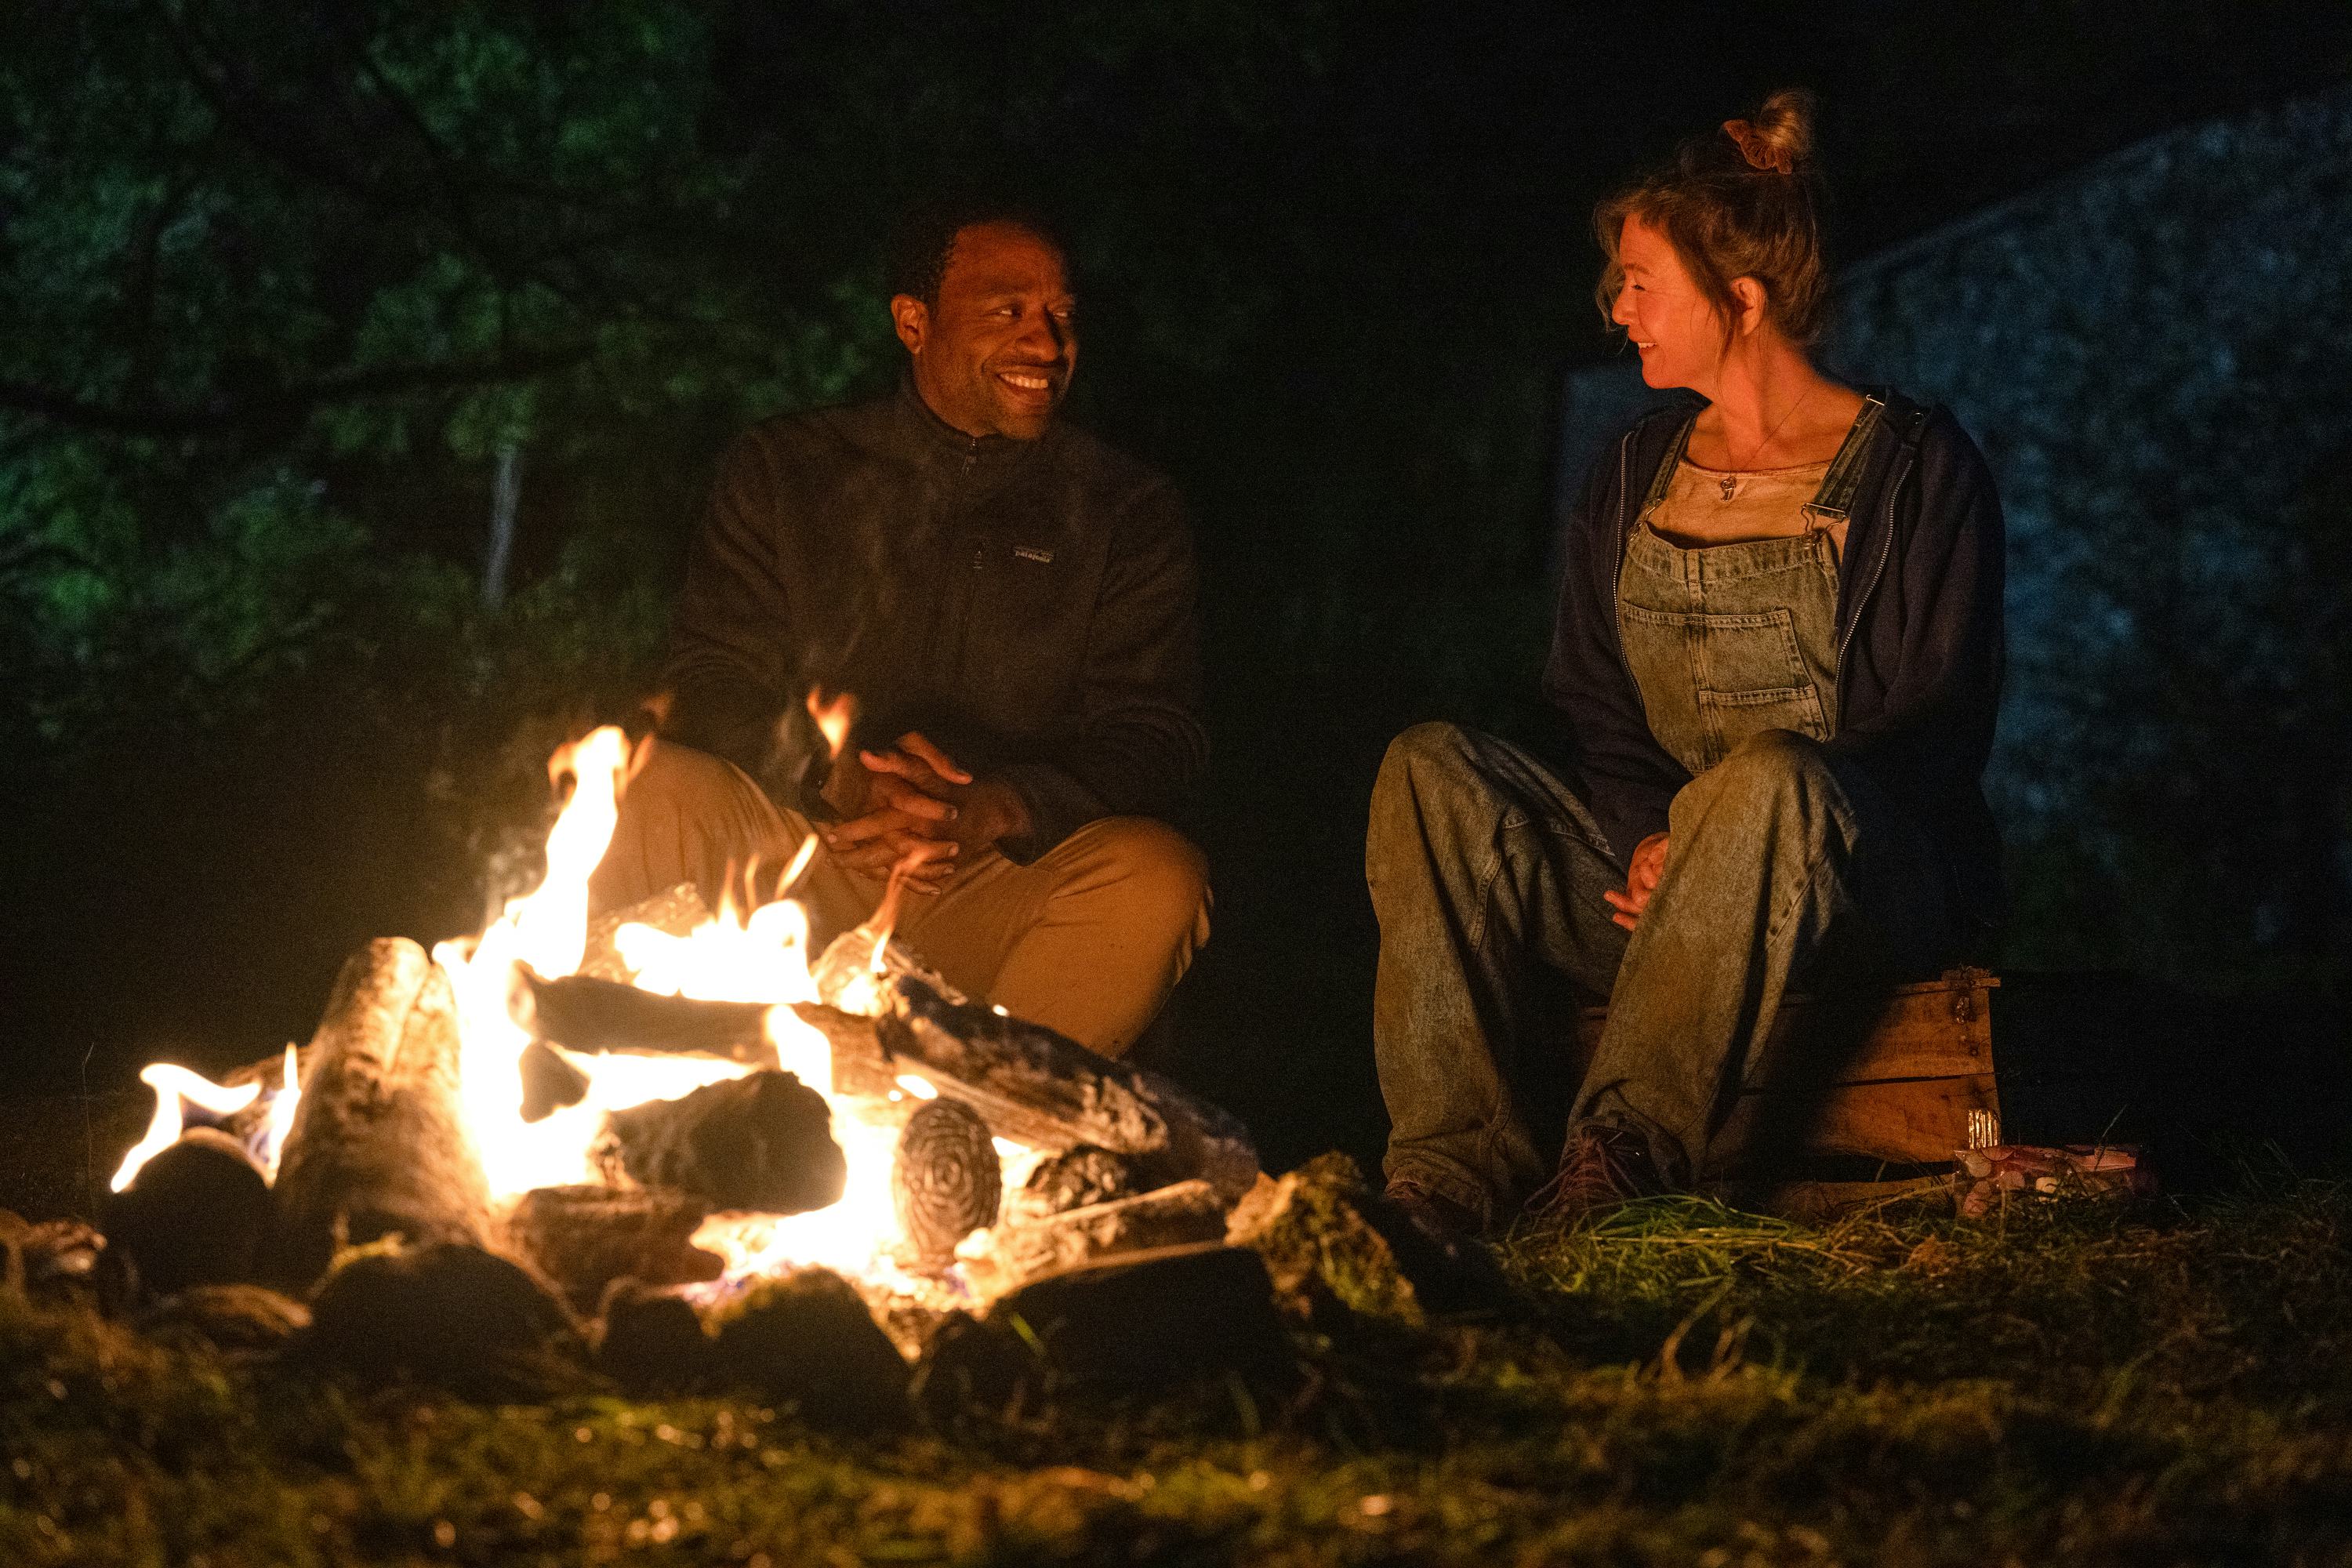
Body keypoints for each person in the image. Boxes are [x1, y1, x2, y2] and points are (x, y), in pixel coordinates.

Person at [1367, 91, 2005, 1235]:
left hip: (1858, 890)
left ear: (1741, 300)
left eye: (1641, 283)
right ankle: (1446, 1180)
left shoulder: (1915, 472)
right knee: (1429, 771)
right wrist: (1655, 838)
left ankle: (1619, 1163)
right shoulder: (1629, 478)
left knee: (1771, 776)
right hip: (1657, 885)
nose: (1619, 311)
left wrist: (1726, 836)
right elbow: (1597, 712)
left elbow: (1933, 726)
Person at [590, 201, 1210, 1059]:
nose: (1047, 343)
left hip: (995, 876)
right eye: (1009, 312)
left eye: (1063, 316)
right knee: (642, 784)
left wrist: (998, 806)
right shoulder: (786, 469)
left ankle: (987, 1128)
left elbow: (1156, 734)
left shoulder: (1123, 509)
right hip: (806, 851)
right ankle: (648, 1087)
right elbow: (709, 678)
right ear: (913, 322)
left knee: (1160, 877)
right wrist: (836, 777)